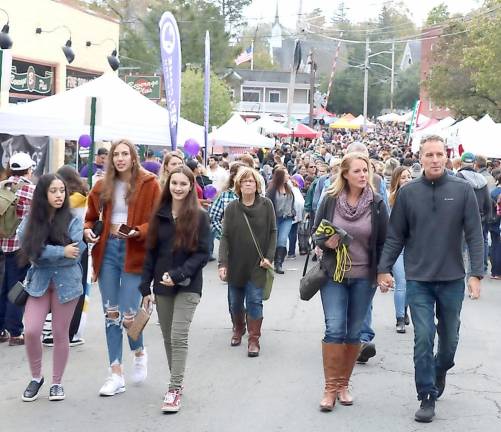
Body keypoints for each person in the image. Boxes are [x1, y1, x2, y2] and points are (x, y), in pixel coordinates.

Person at [377, 135, 483, 423]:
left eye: (439, 154)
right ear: (420, 158)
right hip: (419, 280)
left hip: (452, 279)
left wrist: (476, 274)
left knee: (448, 342)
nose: (435, 159)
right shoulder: (409, 193)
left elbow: (474, 233)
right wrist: (384, 268)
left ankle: (440, 369)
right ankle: (426, 395)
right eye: (429, 155)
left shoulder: (462, 190)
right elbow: (395, 235)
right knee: (423, 337)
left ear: (446, 157)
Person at [84, 139, 161, 396]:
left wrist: (137, 231)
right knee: (111, 313)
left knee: (130, 315)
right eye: (115, 154)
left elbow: (158, 221)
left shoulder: (149, 183)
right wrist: (87, 232)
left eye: (124, 154)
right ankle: (115, 372)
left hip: (134, 250)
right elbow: (90, 219)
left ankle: (139, 351)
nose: (119, 158)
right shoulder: (101, 186)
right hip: (107, 250)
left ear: (133, 157)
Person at [313, 152, 388, 412]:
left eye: (365, 170)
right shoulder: (331, 200)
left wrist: (383, 271)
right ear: (345, 174)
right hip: (334, 275)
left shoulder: (377, 203)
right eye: (357, 171)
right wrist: (326, 241)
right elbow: (317, 233)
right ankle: (330, 388)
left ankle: (344, 384)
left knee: (354, 332)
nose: (363, 175)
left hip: (362, 277)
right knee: (334, 329)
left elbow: (384, 241)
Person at [140, 166, 210, 413]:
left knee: (179, 336)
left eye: (183, 184)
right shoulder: (159, 214)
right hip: (161, 285)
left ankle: (174, 388)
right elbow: (150, 252)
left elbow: (204, 253)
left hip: (188, 285)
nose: (178, 188)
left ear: (191, 186)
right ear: (168, 185)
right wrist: (144, 287)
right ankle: (177, 382)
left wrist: (179, 274)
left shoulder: (200, 216)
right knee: (168, 336)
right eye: (174, 183)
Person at [18, 173, 85, 402]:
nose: (59, 195)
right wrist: (60, 251)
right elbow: (28, 249)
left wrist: (44, 252)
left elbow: (75, 255)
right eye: (53, 191)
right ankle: (36, 377)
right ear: (42, 194)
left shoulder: (74, 218)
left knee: (59, 334)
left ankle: (57, 382)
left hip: (67, 283)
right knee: (32, 330)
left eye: (62, 191)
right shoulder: (31, 220)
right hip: (38, 282)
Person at [218, 167, 277, 357]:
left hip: (257, 265)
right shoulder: (232, 208)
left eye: (251, 181)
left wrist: (269, 257)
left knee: (254, 301)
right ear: (238, 185)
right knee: (235, 303)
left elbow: (273, 232)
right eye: (244, 181)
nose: (248, 184)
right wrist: (222, 264)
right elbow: (224, 236)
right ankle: (238, 328)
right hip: (236, 264)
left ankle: (254, 339)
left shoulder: (266, 205)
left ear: (257, 184)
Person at [0, 152, 36, 346]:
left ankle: (0, 330)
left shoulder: (1, 186)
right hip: (19, 246)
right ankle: (15, 333)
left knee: (2, 286)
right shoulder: (31, 190)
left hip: (1, 244)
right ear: (28, 170)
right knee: (17, 287)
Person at [388, 166, 412, 333]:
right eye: (403, 177)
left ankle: (404, 309)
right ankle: (400, 318)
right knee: (401, 283)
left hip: (415, 247)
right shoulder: (390, 200)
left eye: (409, 177)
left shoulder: (419, 197)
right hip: (397, 248)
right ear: (396, 180)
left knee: (410, 283)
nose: (407, 180)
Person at [266, 166, 295, 274]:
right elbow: (268, 204)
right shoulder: (272, 189)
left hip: (287, 218)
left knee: (282, 239)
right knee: (274, 240)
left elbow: (292, 201)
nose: (288, 176)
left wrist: (293, 212)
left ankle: (279, 263)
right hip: (275, 218)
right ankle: (270, 260)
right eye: (286, 174)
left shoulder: (289, 188)